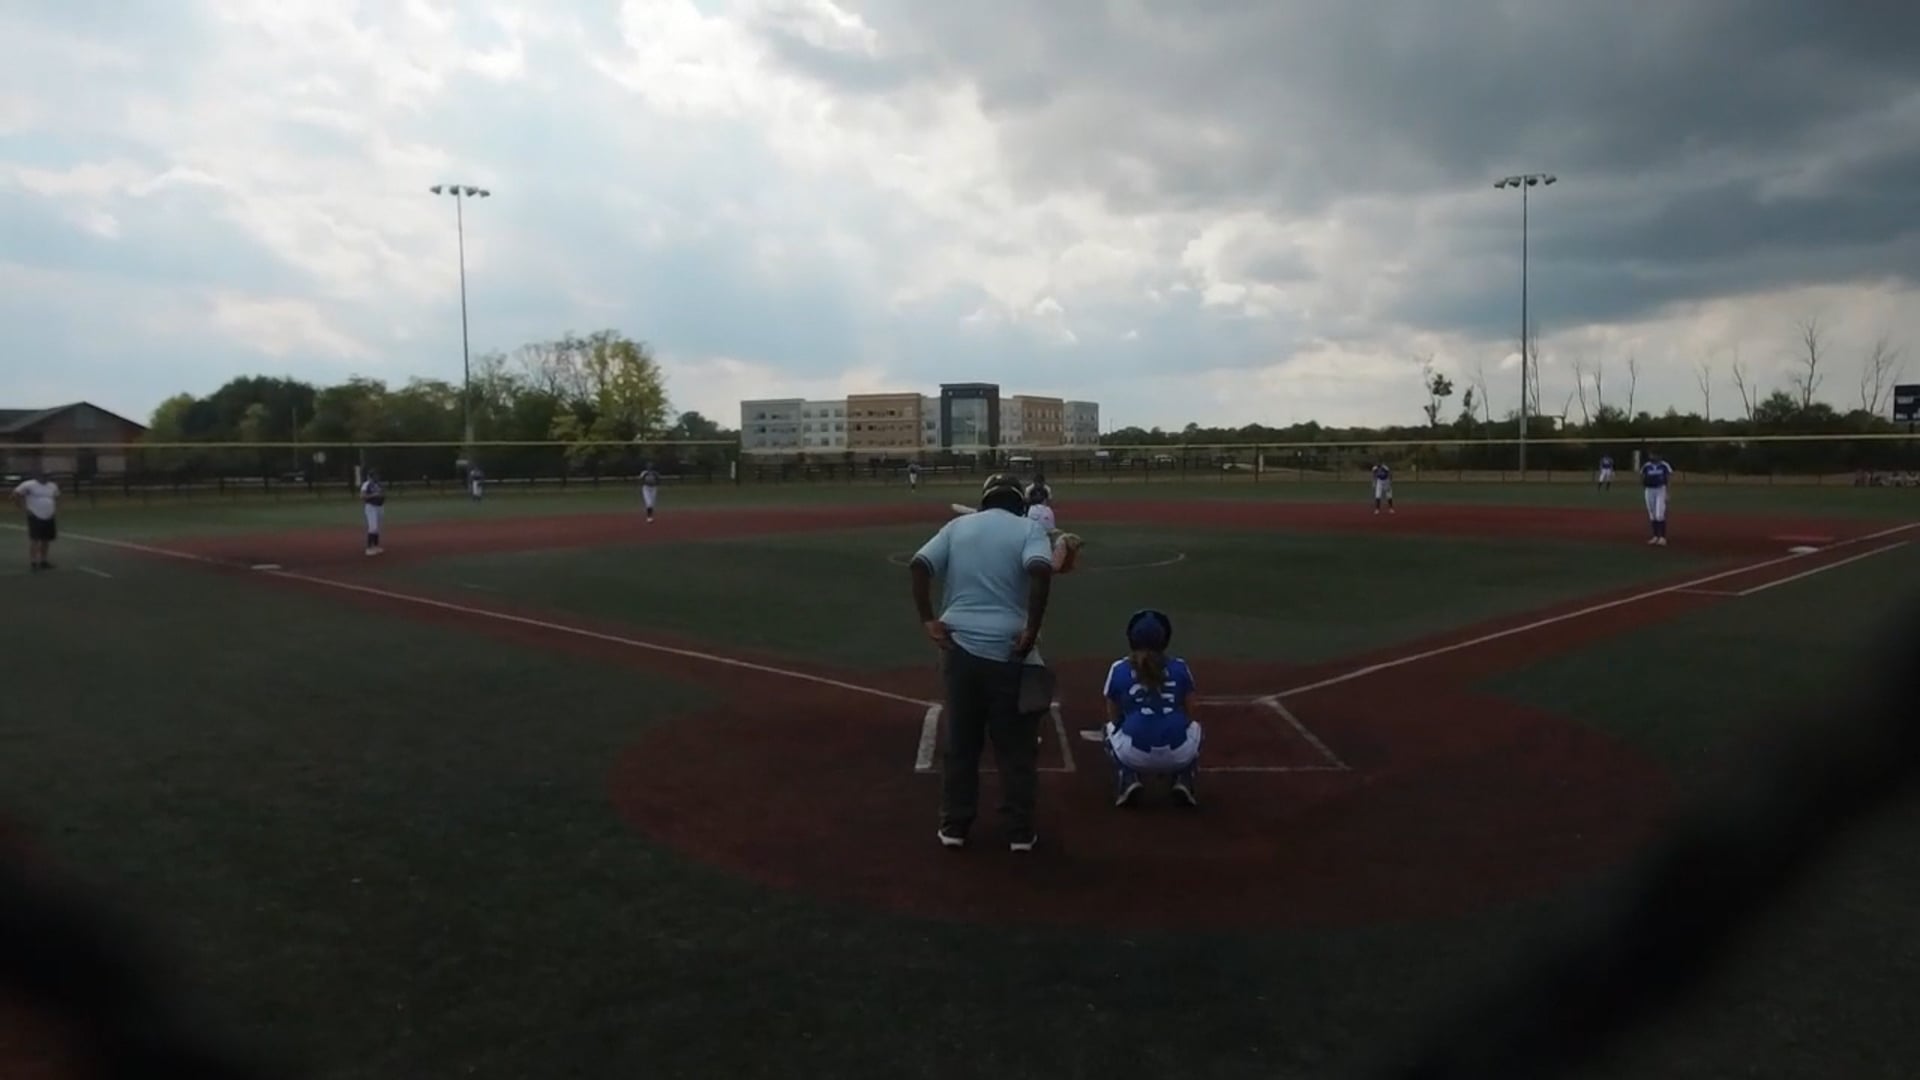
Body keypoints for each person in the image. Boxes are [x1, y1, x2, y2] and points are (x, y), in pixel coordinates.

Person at [911, 473, 1056, 852]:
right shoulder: (1029, 529)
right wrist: (1031, 628)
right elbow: (1040, 570)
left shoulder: (957, 527)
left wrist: (928, 619)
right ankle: (1019, 832)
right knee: (1016, 747)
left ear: (985, 499)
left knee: (962, 742)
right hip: (1010, 651)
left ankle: (954, 826)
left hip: (958, 649)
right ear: (1020, 503)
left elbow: (919, 565)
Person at [1102, 609, 1202, 807]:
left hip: (1134, 754)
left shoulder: (1119, 668)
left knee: (1108, 729)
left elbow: (1113, 715)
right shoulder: (1180, 666)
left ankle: (1128, 778)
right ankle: (1184, 779)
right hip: (1179, 753)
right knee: (1196, 728)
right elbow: (1191, 712)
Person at [11, 469, 59, 571]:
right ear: (38, 476)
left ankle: (43, 561)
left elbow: (56, 497)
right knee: (35, 539)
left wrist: (54, 510)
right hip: (35, 515)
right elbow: (15, 494)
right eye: (44, 475)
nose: (46, 478)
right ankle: (33, 562)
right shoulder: (29, 485)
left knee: (46, 539)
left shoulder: (53, 486)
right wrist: (23, 508)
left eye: (48, 476)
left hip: (49, 516)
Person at [1641, 450, 1673, 545]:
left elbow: (1668, 478)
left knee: (1660, 514)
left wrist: (1668, 492)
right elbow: (1642, 476)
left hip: (1660, 489)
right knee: (1652, 514)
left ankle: (1662, 537)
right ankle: (1655, 536)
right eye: (1651, 454)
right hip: (1649, 490)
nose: (1652, 456)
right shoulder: (1646, 466)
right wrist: (1645, 485)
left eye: (1654, 454)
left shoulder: (1664, 465)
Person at [359, 469, 386, 556]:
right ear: (370, 477)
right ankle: (369, 548)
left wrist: (382, 496)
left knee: (377, 528)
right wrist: (374, 495)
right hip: (371, 507)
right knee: (373, 527)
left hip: (380, 507)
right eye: (374, 476)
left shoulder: (379, 484)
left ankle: (376, 546)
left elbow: (382, 493)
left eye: (376, 475)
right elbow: (362, 496)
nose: (376, 477)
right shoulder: (366, 484)